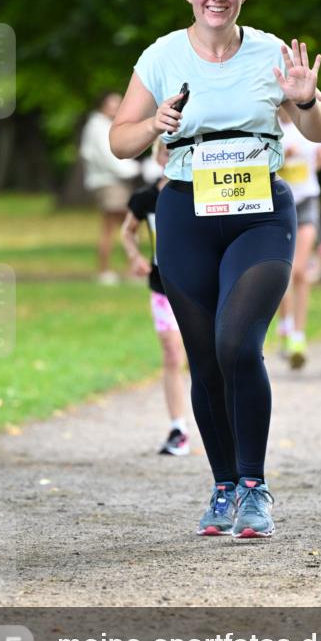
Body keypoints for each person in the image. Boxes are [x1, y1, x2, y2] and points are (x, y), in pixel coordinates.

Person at [110, 0, 321, 538]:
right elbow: (119, 140)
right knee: (205, 358)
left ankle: (255, 488)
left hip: (260, 210)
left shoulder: (270, 53)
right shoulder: (160, 56)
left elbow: (320, 127)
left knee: (238, 344)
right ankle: (223, 486)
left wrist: (305, 97)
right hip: (185, 211)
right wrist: (151, 124)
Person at [121, 140, 191, 455]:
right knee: (172, 353)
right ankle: (178, 427)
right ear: (157, 156)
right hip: (162, 286)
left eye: (176, 150)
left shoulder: (199, 192)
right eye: (165, 150)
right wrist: (135, 256)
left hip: (198, 287)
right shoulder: (146, 198)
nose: (171, 155)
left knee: (203, 355)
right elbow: (127, 231)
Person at [276, 116, 321, 368]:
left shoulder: (309, 121)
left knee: (300, 271)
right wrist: (283, 157)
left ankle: (298, 336)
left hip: (307, 201)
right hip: (278, 203)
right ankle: (285, 325)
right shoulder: (268, 123)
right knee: (282, 272)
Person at [80, 91, 140, 284]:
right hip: (110, 183)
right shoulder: (99, 128)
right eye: (112, 104)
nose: (116, 107)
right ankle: (111, 270)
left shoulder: (103, 125)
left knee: (119, 226)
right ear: (102, 106)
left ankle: (122, 269)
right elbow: (109, 158)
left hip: (112, 182)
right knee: (122, 226)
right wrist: (135, 169)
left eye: (118, 104)